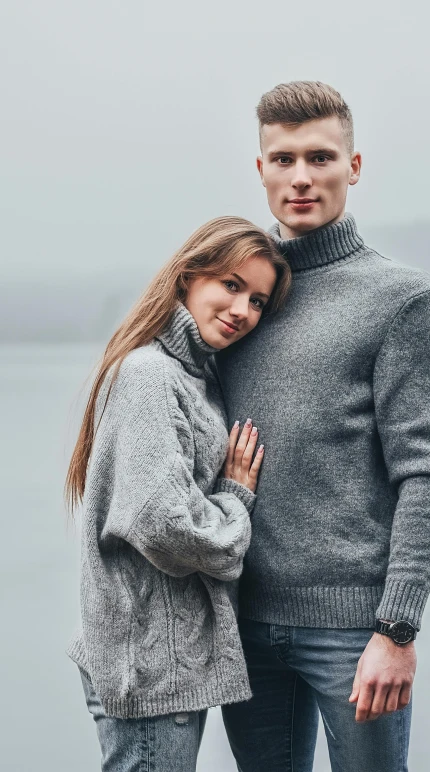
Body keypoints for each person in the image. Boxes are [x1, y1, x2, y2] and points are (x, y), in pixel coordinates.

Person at [217, 82, 430, 772]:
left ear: (352, 167)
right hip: (242, 622)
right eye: (283, 158)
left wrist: (397, 629)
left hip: (355, 631)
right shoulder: (235, 298)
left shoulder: (401, 300)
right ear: (259, 169)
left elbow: (425, 477)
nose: (300, 177)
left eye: (319, 157)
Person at [65, 216, 291, 772]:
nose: (243, 311)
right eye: (231, 286)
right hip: (147, 663)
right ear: (189, 277)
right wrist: (237, 501)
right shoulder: (150, 374)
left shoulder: (193, 373)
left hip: (160, 657)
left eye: (258, 301)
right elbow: (165, 525)